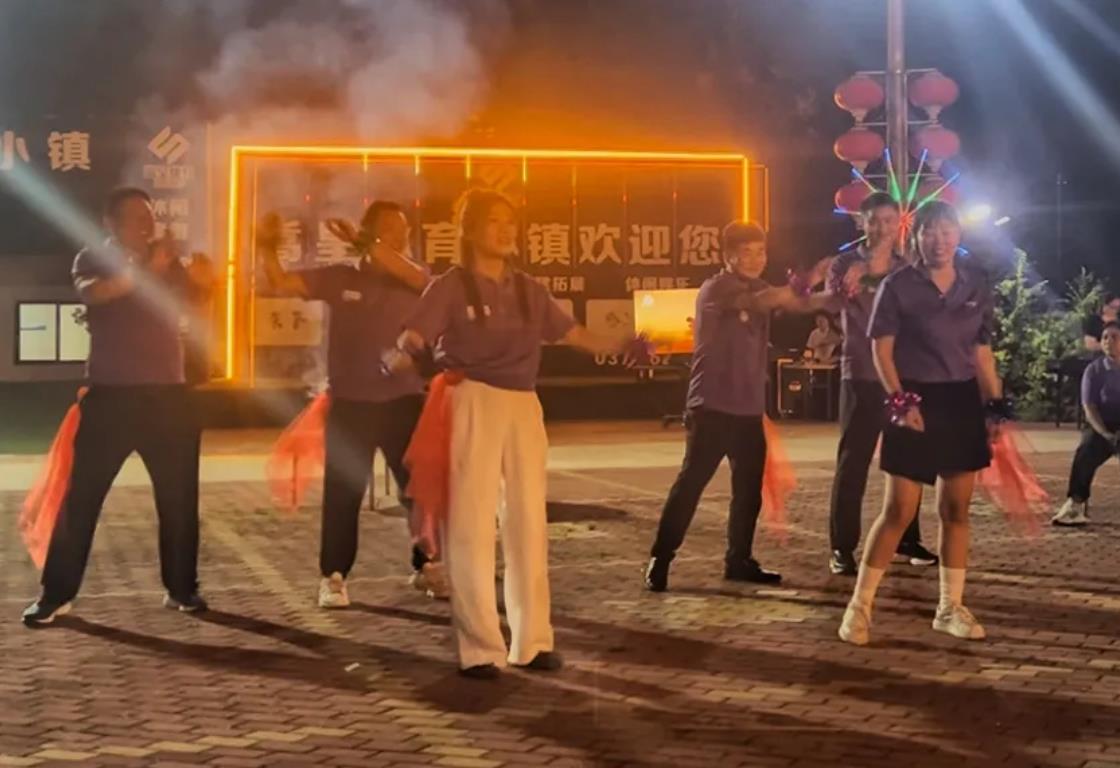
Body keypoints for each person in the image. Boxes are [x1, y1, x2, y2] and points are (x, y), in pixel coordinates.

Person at [389, 188, 633, 679]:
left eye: (510, 221)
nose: (506, 230)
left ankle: (533, 642)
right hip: (470, 398)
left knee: (528, 522)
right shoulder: (450, 286)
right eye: (494, 221)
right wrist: (404, 349)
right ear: (470, 230)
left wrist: (629, 344)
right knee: (471, 523)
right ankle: (480, 648)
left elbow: (576, 335)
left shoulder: (528, 289)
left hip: (523, 404)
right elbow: (413, 335)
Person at [22, 187, 216, 626]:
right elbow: (96, 294)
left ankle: (182, 588)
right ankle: (56, 595)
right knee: (81, 499)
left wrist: (204, 281)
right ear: (111, 223)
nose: (147, 225)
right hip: (111, 398)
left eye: (150, 217)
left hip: (169, 397)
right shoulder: (93, 258)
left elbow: (194, 304)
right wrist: (148, 269)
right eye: (136, 218)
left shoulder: (170, 264)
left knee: (179, 499)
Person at [257, 201, 449, 607]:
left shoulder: (415, 278)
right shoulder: (339, 277)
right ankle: (334, 576)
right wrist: (267, 247)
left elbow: (416, 276)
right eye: (389, 229)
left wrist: (368, 242)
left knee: (419, 491)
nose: (400, 238)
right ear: (369, 231)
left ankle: (429, 565)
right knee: (343, 493)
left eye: (404, 231)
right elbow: (281, 282)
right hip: (351, 405)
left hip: (404, 402)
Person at [837, 201, 1004, 646]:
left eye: (947, 231)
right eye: (930, 231)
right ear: (916, 237)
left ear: (958, 236)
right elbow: (881, 352)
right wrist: (899, 400)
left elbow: (982, 354)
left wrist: (995, 405)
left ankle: (950, 607)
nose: (940, 240)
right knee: (898, 510)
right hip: (913, 400)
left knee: (956, 510)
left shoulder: (974, 284)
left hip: (961, 401)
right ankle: (859, 608)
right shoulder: (899, 285)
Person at [644, 221, 835, 592]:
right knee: (691, 484)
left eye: (760, 252)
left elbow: (798, 302)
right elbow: (764, 302)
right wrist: (810, 277)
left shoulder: (761, 287)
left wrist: (839, 294)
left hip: (748, 410)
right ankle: (661, 558)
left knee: (747, 491)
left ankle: (739, 560)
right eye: (745, 252)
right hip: (711, 406)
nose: (754, 259)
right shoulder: (717, 288)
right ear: (727, 256)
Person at [819, 191, 936, 577]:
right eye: (875, 221)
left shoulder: (907, 268)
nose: (883, 228)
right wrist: (855, 278)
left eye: (889, 220)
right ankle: (842, 547)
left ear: (899, 222)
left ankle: (907, 538)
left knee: (908, 460)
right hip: (861, 375)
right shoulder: (844, 264)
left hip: (901, 377)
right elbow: (833, 303)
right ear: (861, 222)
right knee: (853, 461)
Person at [1051, 322, 1120, 527]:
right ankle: (1074, 504)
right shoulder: (1094, 370)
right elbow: (1089, 407)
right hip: (1104, 425)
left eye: (1114, 337)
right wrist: (1105, 433)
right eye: (1105, 337)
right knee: (1087, 448)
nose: (1108, 341)